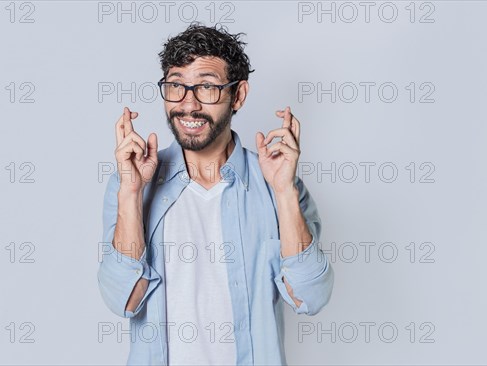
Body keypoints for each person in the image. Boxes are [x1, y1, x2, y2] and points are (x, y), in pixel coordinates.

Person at [98, 24, 334, 365]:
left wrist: (283, 191)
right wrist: (131, 193)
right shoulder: (132, 182)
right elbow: (123, 299)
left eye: (207, 86)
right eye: (176, 85)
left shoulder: (278, 182)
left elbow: (310, 298)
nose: (188, 104)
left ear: (237, 95)